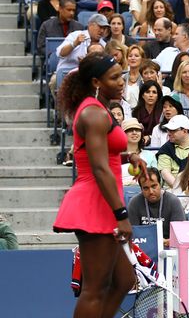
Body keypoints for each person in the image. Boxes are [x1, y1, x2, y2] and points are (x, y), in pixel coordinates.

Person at [53, 52, 143, 317]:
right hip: (96, 202)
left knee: (123, 281)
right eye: (113, 78)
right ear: (96, 81)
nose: (121, 82)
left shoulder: (99, 107)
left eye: (121, 76)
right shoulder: (93, 113)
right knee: (95, 287)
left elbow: (105, 154)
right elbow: (99, 167)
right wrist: (121, 215)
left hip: (105, 199)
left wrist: (130, 156)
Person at [127, 167, 184, 247]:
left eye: (154, 186)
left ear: (160, 184)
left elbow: (180, 237)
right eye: (146, 188)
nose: (151, 192)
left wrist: (163, 242)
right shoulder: (134, 203)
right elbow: (133, 236)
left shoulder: (173, 201)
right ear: (141, 189)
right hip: (143, 249)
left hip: (169, 248)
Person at [157, 114, 189, 186]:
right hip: (173, 192)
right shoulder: (165, 150)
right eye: (168, 130)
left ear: (185, 131)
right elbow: (165, 174)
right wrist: (181, 190)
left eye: (173, 131)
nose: (169, 133)